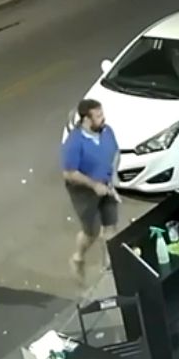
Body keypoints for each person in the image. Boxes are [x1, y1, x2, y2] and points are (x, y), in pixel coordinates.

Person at [61, 99, 120, 282]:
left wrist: (113, 177)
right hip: (84, 192)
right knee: (91, 232)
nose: (103, 118)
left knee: (110, 224)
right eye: (99, 115)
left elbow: (116, 153)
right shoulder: (74, 143)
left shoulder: (107, 131)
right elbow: (69, 174)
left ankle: (110, 262)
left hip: (106, 184)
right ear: (87, 118)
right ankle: (77, 258)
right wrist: (94, 185)